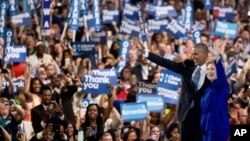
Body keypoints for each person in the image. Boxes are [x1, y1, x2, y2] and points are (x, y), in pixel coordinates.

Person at [141, 43, 210, 141]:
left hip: (202, 116)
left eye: (196, 54)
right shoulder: (187, 68)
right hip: (186, 115)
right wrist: (147, 54)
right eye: (193, 54)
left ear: (204, 55)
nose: (193, 56)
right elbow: (166, 63)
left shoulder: (212, 71)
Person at [200, 42, 230, 141]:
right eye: (208, 69)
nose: (209, 71)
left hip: (218, 126)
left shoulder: (221, 85)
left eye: (212, 69)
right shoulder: (207, 88)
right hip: (205, 127)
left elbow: (221, 73)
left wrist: (217, 56)